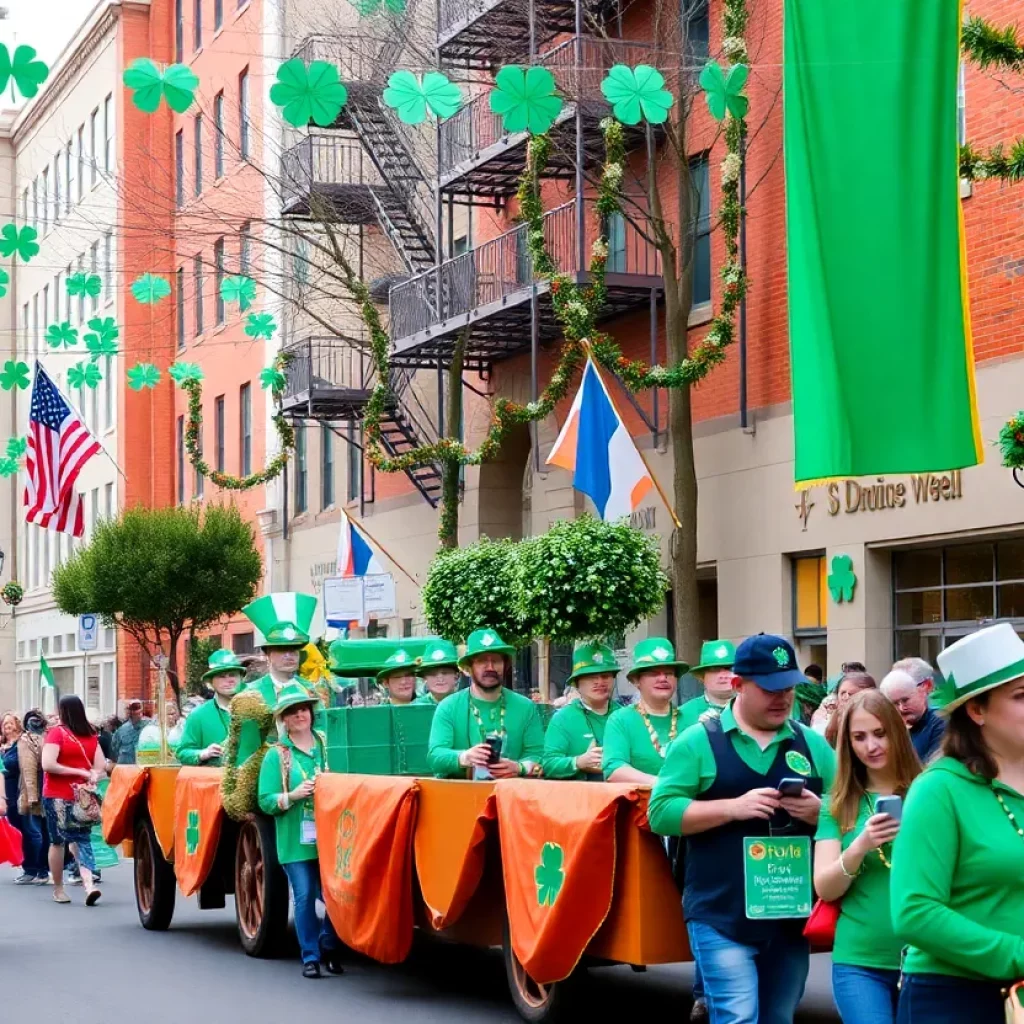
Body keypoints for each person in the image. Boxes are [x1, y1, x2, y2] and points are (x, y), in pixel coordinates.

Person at [649, 634, 836, 1024]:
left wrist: (822, 814)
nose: (782, 698)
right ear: (737, 685)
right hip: (720, 913)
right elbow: (661, 812)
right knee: (737, 1016)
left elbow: (852, 808)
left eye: (788, 687)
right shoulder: (698, 742)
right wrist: (732, 808)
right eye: (769, 688)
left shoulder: (813, 745)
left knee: (778, 1017)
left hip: (789, 916)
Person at [892, 623, 1024, 1022]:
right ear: (976, 709)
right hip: (952, 997)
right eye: (1021, 696)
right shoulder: (938, 790)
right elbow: (913, 910)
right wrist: (1016, 954)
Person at [814, 690, 921, 1024]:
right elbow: (825, 888)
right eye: (859, 737)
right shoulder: (838, 803)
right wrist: (860, 844)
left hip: (927, 958)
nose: (871, 746)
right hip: (859, 961)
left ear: (897, 732)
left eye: (880, 733)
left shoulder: (930, 791)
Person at [257, 684, 343, 979]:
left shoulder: (327, 744)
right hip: (295, 839)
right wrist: (292, 795)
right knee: (305, 895)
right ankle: (310, 956)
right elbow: (265, 801)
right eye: (292, 712)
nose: (300, 715)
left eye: (304, 709)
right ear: (283, 719)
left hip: (330, 836)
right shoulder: (276, 756)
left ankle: (329, 945)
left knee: (336, 895)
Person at [427, 628, 544, 779]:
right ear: (468, 668)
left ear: (505, 665)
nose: (490, 667)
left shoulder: (525, 707)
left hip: (510, 794)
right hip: (461, 795)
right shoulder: (448, 707)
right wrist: (464, 757)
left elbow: (539, 754)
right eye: (482, 661)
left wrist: (519, 767)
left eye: (496, 660)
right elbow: (435, 756)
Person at [233, 592, 321, 768]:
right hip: (267, 776)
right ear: (268, 654)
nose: (289, 656)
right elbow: (245, 751)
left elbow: (321, 735)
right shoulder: (250, 695)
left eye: (294, 650)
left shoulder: (311, 691)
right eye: (281, 650)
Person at [41, 695, 106, 906]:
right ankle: (89, 885)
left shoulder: (56, 733)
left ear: (62, 711)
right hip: (83, 797)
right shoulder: (91, 735)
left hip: (57, 795)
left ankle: (59, 889)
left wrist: (78, 771)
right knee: (82, 839)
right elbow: (100, 767)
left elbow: (48, 764)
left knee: (57, 841)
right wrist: (90, 775)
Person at [603, 637, 688, 785]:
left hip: (688, 804)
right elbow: (614, 770)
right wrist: (661, 784)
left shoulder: (691, 718)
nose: (663, 678)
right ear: (637, 681)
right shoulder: (621, 719)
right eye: (654, 673)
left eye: (669, 673)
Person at [542, 642, 620, 780]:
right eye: (591, 676)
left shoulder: (625, 715)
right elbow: (548, 764)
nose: (600, 682)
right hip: (579, 798)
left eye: (606, 676)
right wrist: (578, 762)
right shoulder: (563, 719)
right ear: (576, 683)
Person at [178, 650, 247, 766]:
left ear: (241, 678)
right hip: (215, 781)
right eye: (221, 676)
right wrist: (203, 753)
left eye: (233, 675)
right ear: (210, 682)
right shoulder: (198, 715)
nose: (229, 680)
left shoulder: (256, 710)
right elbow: (183, 753)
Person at [880, 659, 945, 763]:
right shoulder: (891, 725)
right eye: (894, 703)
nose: (901, 708)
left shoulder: (941, 721)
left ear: (926, 686)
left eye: (905, 700)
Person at [16, 709, 48, 883]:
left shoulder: (31, 739)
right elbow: (28, 770)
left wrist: (33, 797)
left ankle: (38, 869)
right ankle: (40, 869)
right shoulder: (36, 738)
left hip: (39, 790)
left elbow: (29, 770)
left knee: (35, 833)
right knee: (41, 832)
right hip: (39, 790)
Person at [680, 640, 736, 730]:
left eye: (729, 668)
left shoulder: (754, 708)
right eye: (715, 669)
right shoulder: (684, 714)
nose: (723, 675)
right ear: (702, 677)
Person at [1, 713, 27, 881]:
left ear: (17, 724)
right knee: (12, 825)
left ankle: (30, 865)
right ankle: (21, 862)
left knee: (21, 826)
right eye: (4, 724)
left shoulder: (21, 744)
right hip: (6, 788)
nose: (7, 726)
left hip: (17, 788)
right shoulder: (4, 745)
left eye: (10, 723)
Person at [825, 672, 877, 747]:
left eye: (851, 694)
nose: (845, 698)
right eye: (842, 693)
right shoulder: (833, 727)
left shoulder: (876, 725)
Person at [415, 639, 461, 704]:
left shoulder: (469, 705)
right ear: (424, 679)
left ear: (457, 676)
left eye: (445, 673)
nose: (440, 678)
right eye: (433, 674)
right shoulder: (414, 708)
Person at [111, 700, 148, 764]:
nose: (135, 713)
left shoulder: (148, 727)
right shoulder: (122, 729)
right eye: (132, 709)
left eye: (137, 709)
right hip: (125, 767)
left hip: (142, 766)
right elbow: (114, 748)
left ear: (142, 711)